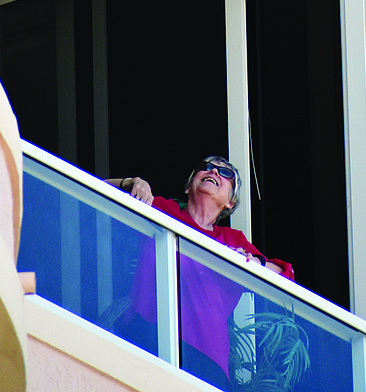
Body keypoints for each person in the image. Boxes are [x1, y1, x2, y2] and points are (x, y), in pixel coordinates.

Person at [108, 156, 293, 389]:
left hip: (208, 361)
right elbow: (87, 187)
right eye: (206, 168)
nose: (213, 172)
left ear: (230, 203)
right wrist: (131, 183)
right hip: (147, 335)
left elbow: (287, 278)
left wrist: (256, 262)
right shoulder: (163, 209)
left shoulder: (232, 241)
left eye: (225, 173)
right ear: (187, 187)